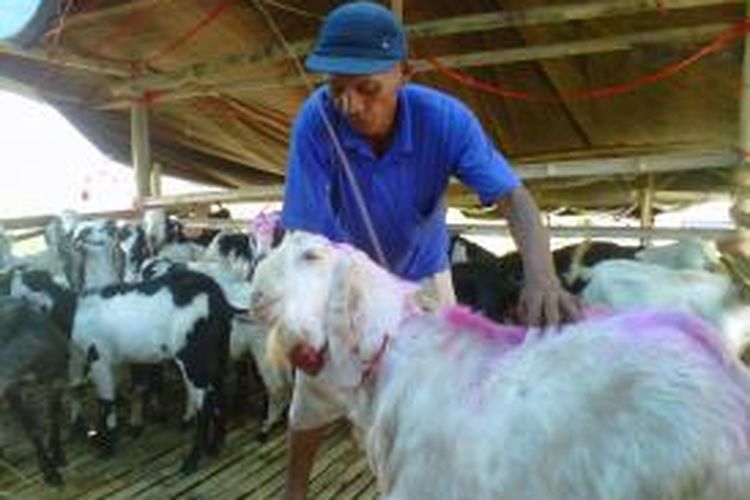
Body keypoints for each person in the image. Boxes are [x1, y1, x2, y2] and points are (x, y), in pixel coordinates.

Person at [279, 2, 581, 498]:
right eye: (338, 89)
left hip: (421, 279)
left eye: (367, 89)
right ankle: (294, 492)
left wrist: (542, 276)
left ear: (404, 74)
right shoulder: (317, 122)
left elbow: (513, 197)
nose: (351, 105)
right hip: (344, 286)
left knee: (444, 392)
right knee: (316, 392)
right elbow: (306, 236)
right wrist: (303, 321)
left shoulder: (445, 120)